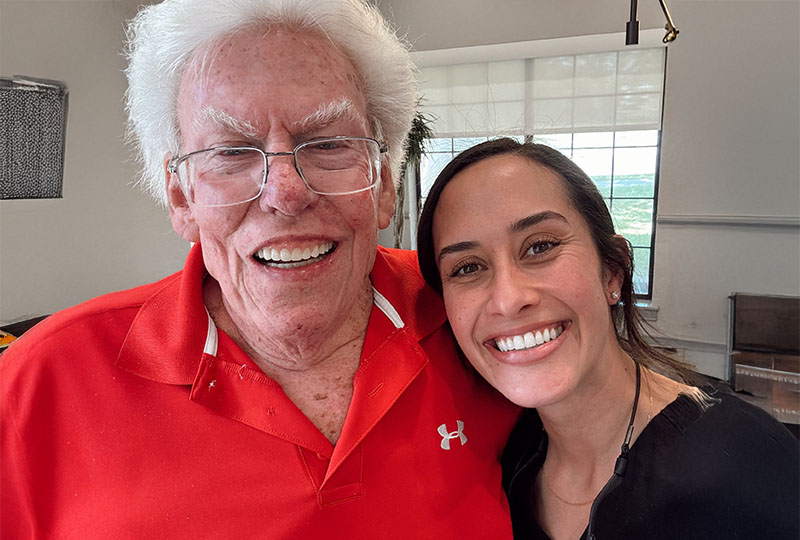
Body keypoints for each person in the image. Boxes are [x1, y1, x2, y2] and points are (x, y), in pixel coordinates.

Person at [0, 2, 519, 538]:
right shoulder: (38, 382)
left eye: (328, 144)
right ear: (182, 197)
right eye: (231, 151)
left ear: (383, 183)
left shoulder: (478, 313)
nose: (286, 193)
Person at [416, 138, 799, 540]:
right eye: (467, 267)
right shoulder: (505, 458)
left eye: (540, 246)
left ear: (612, 273)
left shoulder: (748, 470)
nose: (508, 300)